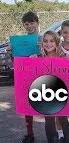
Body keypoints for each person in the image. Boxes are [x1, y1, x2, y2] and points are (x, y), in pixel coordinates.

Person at [30, 31, 69, 143]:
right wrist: (32, 61)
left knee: (63, 118)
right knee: (49, 120)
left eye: (52, 41)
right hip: (45, 93)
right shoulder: (39, 58)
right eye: (45, 41)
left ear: (57, 43)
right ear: (42, 43)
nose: (48, 44)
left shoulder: (64, 57)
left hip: (61, 92)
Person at [8, 11, 41, 143]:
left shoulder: (44, 38)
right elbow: (16, 61)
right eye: (26, 24)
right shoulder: (19, 42)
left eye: (32, 23)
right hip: (26, 76)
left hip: (42, 75)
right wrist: (11, 52)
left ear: (37, 23)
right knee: (27, 105)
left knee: (48, 103)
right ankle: (30, 133)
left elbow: (53, 57)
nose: (29, 26)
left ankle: (53, 132)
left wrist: (43, 50)